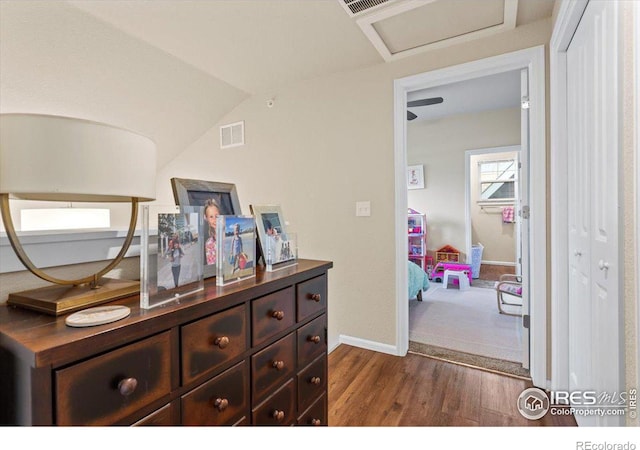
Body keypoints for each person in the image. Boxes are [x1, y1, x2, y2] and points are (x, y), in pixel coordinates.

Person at [204, 199, 220, 266]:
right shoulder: (209, 244)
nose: (214, 220)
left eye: (216, 216)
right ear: (206, 218)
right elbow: (211, 265)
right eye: (211, 217)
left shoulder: (229, 234)